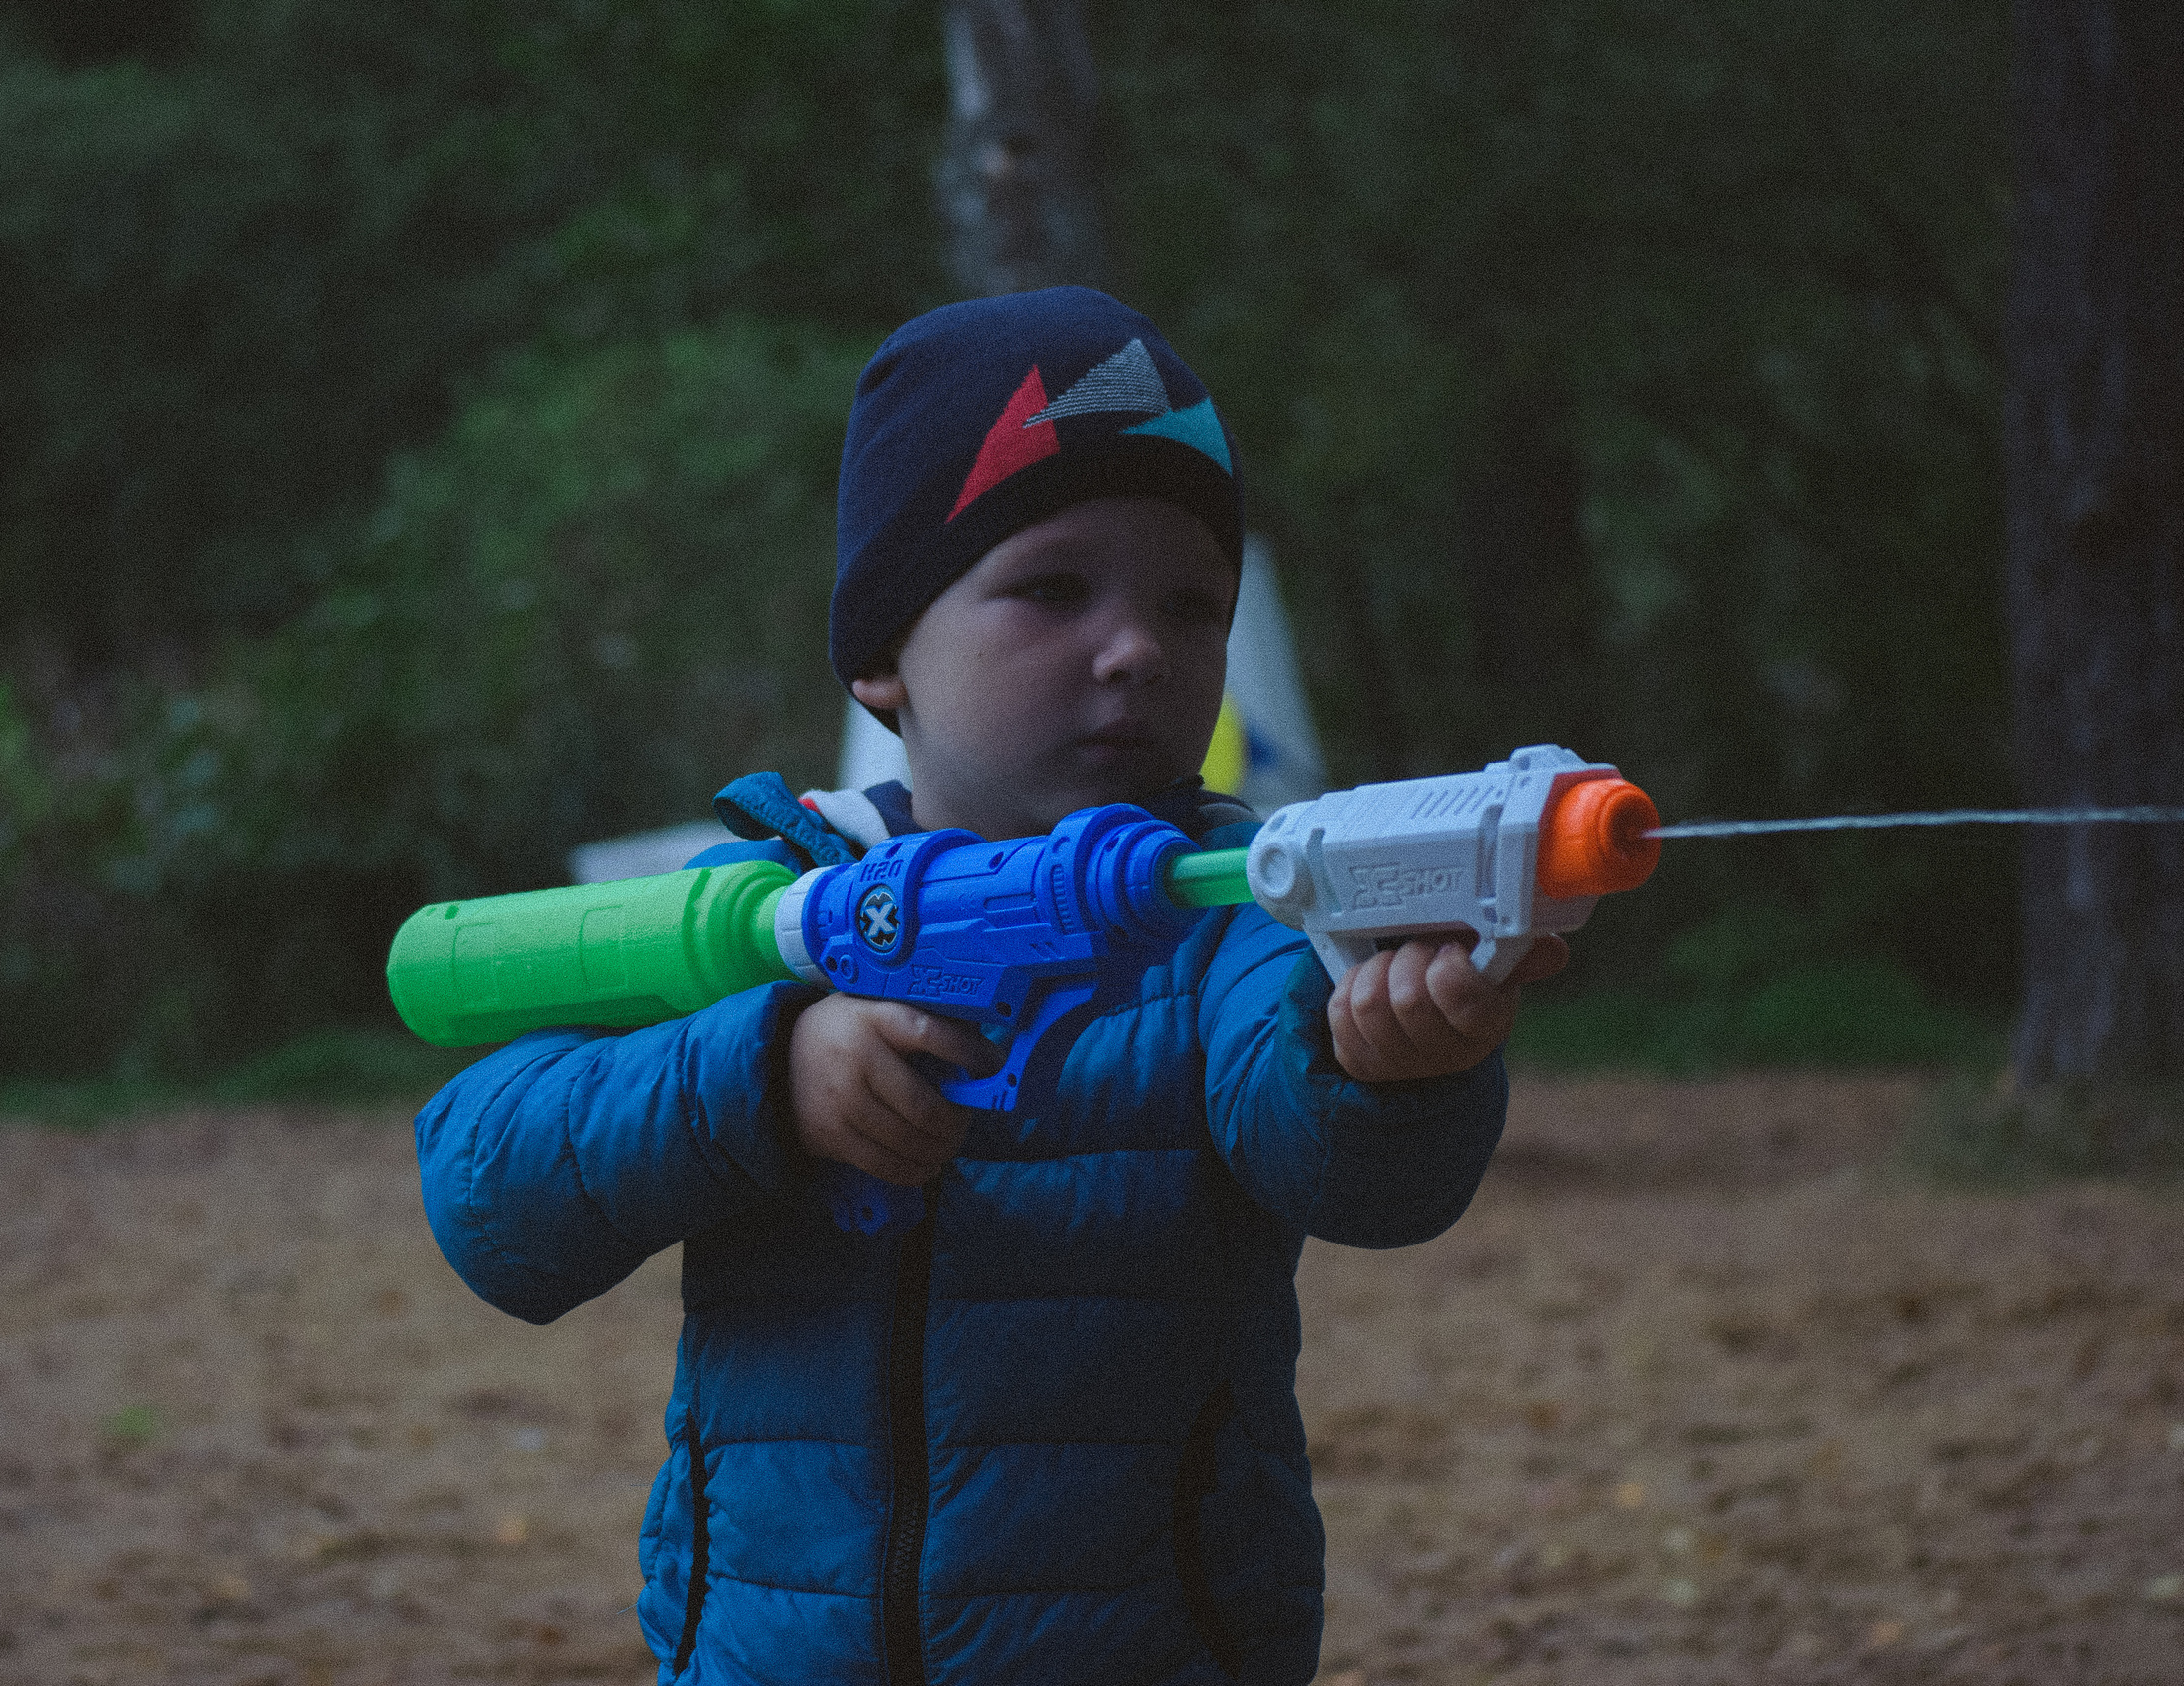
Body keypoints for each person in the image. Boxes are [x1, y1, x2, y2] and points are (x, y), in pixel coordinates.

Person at [414, 287, 1564, 1685]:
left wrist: (1390, 1062)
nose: (1138, 647)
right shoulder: (770, 910)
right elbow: (491, 1195)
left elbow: (1357, 1176)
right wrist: (767, 1075)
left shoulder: (1242, 905)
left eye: (1193, 604)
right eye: (1053, 589)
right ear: (884, 654)